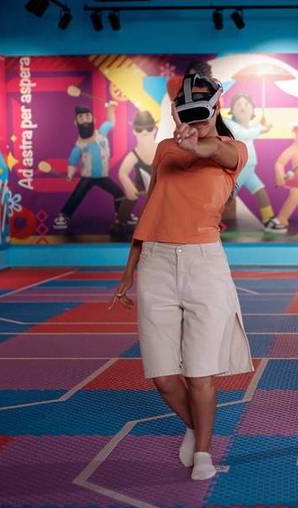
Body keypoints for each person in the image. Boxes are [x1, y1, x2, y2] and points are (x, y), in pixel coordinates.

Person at [111, 73, 253, 481]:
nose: (194, 120)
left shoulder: (234, 150)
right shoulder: (165, 150)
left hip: (205, 264)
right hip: (156, 262)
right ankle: (193, 427)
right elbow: (151, 209)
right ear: (177, 113)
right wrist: (128, 273)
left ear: (216, 110)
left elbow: (220, 156)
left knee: (200, 372)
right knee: (162, 375)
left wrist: (198, 144)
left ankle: (204, 452)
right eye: (186, 112)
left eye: (201, 112)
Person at [53, 102, 130, 235]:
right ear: (76, 123)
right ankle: (63, 217)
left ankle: (121, 216)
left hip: (103, 177)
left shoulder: (102, 133)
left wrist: (111, 108)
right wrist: (70, 174)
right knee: (76, 197)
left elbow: (111, 122)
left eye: (87, 117)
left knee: (119, 193)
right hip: (87, 177)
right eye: (81, 118)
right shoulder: (79, 144)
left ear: (93, 119)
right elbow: (73, 160)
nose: (85, 121)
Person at [223, 93, 283, 232]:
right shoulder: (230, 124)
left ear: (252, 110)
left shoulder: (250, 127)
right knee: (227, 197)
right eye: (238, 104)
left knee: (260, 192)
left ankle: (268, 221)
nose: (242, 107)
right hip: (240, 169)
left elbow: (249, 131)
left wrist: (261, 127)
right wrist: (260, 128)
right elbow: (244, 134)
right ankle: (210, 221)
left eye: (246, 104)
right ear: (232, 110)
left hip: (250, 170)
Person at [114, 109, 160, 239]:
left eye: (148, 128)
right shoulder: (134, 155)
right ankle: (119, 223)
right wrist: (130, 187)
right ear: (134, 131)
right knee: (131, 197)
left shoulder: (161, 148)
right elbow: (122, 172)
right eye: (140, 129)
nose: (144, 132)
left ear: (154, 129)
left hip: (160, 183)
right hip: (140, 183)